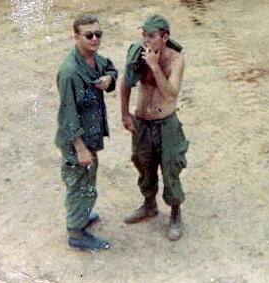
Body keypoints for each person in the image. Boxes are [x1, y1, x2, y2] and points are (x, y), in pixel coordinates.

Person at [121, 15, 188, 241]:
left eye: (151, 36)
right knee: (143, 164)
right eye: (144, 35)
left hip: (166, 123)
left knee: (171, 167)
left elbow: (171, 93)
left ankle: (175, 213)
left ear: (165, 37)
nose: (146, 41)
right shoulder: (138, 54)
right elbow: (126, 82)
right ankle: (149, 204)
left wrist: (155, 67)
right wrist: (125, 113)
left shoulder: (176, 59)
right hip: (142, 122)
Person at [55, 14, 118, 251]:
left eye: (98, 34)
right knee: (79, 185)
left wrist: (109, 79)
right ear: (76, 37)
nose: (94, 39)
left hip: (90, 136)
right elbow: (67, 115)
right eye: (88, 35)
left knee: (87, 182)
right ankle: (76, 233)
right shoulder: (71, 72)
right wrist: (80, 148)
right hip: (77, 141)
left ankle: (81, 217)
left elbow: (110, 68)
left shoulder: (92, 59)